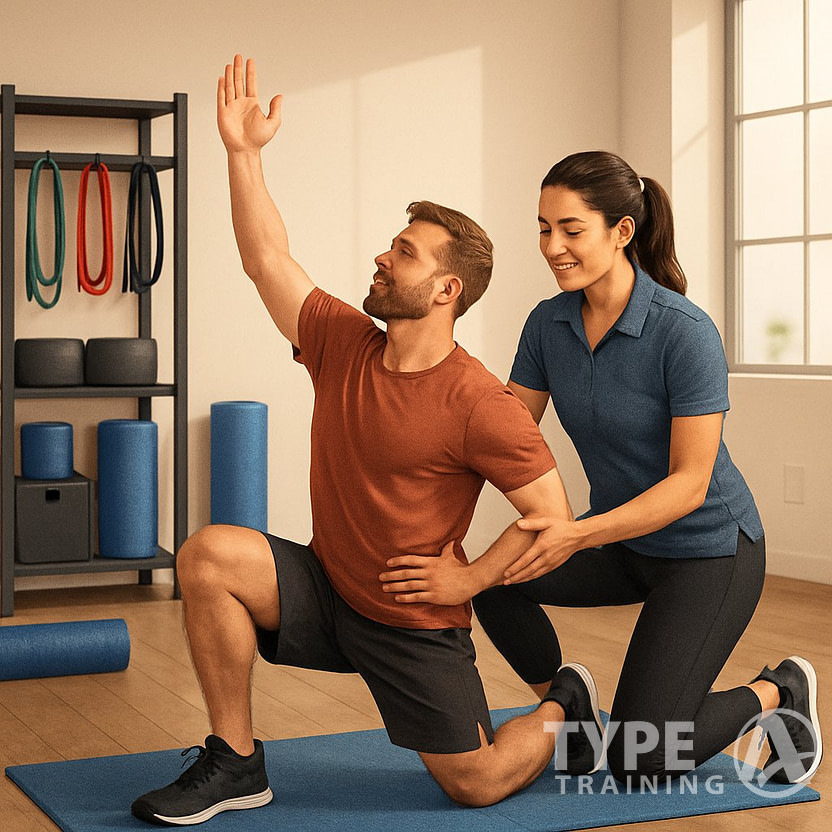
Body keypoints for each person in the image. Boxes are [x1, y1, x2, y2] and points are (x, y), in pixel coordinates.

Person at [130, 56, 602, 827]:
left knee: (475, 783)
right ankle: (237, 761)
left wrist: (470, 581)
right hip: (327, 586)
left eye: (405, 252)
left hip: (411, 618)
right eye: (392, 243)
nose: (384, 256)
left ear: (447, 290)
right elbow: (267, 260)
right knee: (209, 553)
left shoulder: (480, 402)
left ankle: (563, 706)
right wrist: (244, 155)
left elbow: (552, 517)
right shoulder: (343, 341)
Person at [456, 150, 822, 786]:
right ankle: (568, 706)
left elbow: (689, 484)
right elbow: (505, 436)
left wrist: (574, 532)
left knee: (642, 759)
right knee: (491, 579)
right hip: (623, 539)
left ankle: (780, 691)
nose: (553, 246)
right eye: (544, 228)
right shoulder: (548, 324)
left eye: (572, 230)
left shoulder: (685, 333)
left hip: (709, 551)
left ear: (621, 231)